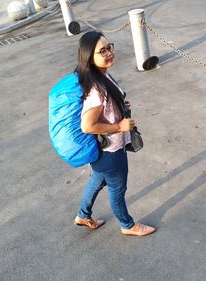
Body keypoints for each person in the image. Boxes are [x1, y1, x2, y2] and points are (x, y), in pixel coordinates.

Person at [73, 31, 156, 237]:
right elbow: (88, 125)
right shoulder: (95, 89)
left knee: (97, 180)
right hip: (111, 150)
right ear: (89, 57)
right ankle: (127, 225)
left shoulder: (101, 74)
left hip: (103, 152)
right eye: (102, 51)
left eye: (110, 47)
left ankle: (83, 214)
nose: (109, 53)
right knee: (117, 190)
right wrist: (120, 126)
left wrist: (119, 105)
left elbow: (105, 108)